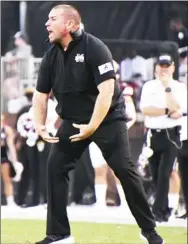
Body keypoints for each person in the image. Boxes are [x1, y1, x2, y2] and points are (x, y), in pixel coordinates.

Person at [33, 4, 163, 244]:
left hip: (107, 120)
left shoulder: (95, 48)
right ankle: (59, 235)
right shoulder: (50, 55)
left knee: (124, 169)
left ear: (70, 24)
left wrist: (93, 125)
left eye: (52, 19)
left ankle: (150, 231)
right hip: (73, 121)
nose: (46, 24)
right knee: (55, 167)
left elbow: (106, 92)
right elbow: (41, 95)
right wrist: (40, 124)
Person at [140, 54, 187, 222]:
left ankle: (157, 212)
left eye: (167, 66)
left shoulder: (179, 87)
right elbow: (146, 109)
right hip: (153, 133)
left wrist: (167, 88)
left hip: (171, 135)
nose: (164, 69)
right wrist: (166, 111)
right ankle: (164, 209)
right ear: (156, 67)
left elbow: (177, 108)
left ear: (173, 68)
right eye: (161, 65)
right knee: (155, 175)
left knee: (165, 172)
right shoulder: (148, 86)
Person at [1, 113, 22, 207]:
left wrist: (15, 161)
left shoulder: (6, 129)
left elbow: (11, 146)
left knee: (7, 179)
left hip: (3, 156)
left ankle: (10, 201)